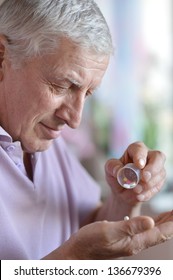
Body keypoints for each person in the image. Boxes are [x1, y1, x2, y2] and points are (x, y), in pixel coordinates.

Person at [0, 0, 172, 260]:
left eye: (87, 93)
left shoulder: (44, 138)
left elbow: (87, 224)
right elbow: (79, 249)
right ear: (3, 56)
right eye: (62, 85)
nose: (74, 120)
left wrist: (123, 200)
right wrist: (72, 262)